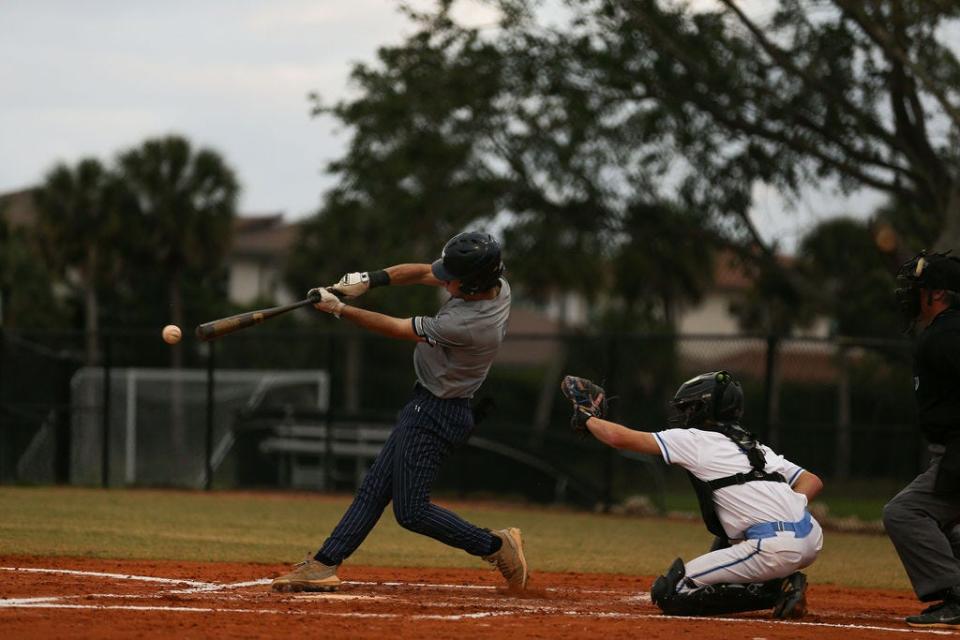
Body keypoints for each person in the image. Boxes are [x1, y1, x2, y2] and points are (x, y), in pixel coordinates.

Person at [272, 231, 528, 592]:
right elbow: (424, 272)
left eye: (452, 278)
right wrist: (370, 280)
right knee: (375, 488)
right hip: (429, 404)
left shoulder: (470, 326)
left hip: (438, 412)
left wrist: (340, 309)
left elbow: (396, 328)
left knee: (411, 512)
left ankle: (496, 545)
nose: (443, 281)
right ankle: (324, 564)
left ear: (472, 285)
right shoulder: (495, 284)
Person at [559, 371, 823, 618]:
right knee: (730, 529)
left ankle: (776, 590)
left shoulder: (695, 439)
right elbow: (812, 481)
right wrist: (794, 505)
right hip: (810, 538)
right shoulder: (756, 447)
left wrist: (587, 417)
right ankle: (776, 580)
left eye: (688, 407)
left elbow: (621, 439)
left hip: (773, 549)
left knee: (671, 593)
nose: (684, 414)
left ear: (703, 409)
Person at [883, 250, 960, 627]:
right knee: (949, 525)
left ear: (937, 294)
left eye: (920, 288)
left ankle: (956, 596)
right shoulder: (946, 333)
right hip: (949, 450)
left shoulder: (945, 337)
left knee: (905, 513)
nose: (912, 295)